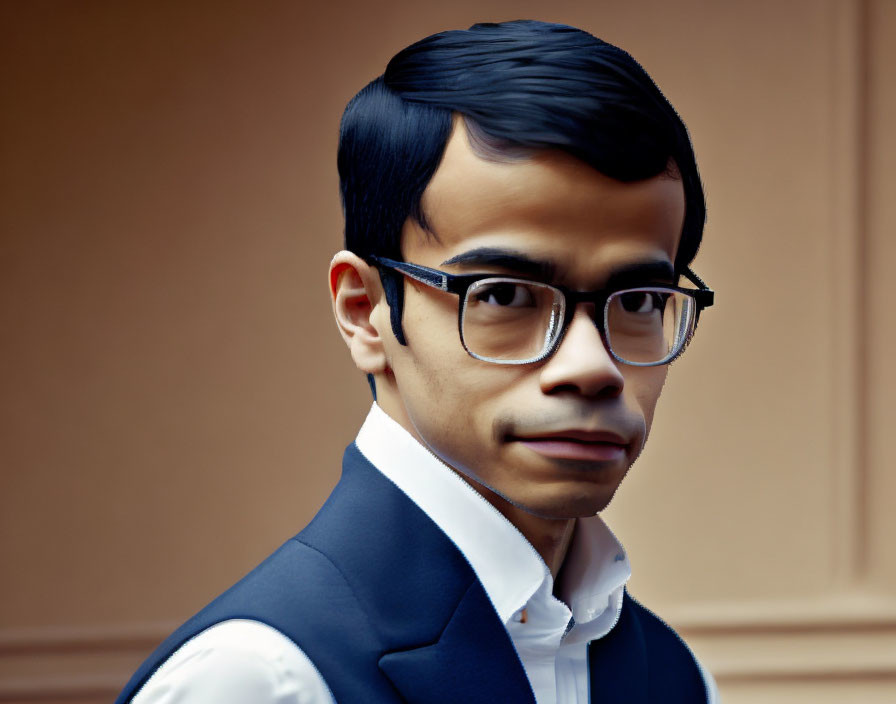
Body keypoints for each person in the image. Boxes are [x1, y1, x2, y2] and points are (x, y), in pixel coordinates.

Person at [117, 19, 719, 704]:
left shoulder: (678, 678)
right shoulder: (261, 682)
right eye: (504, 294)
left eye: (638, 301)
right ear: (363, 311)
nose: (591, 366)